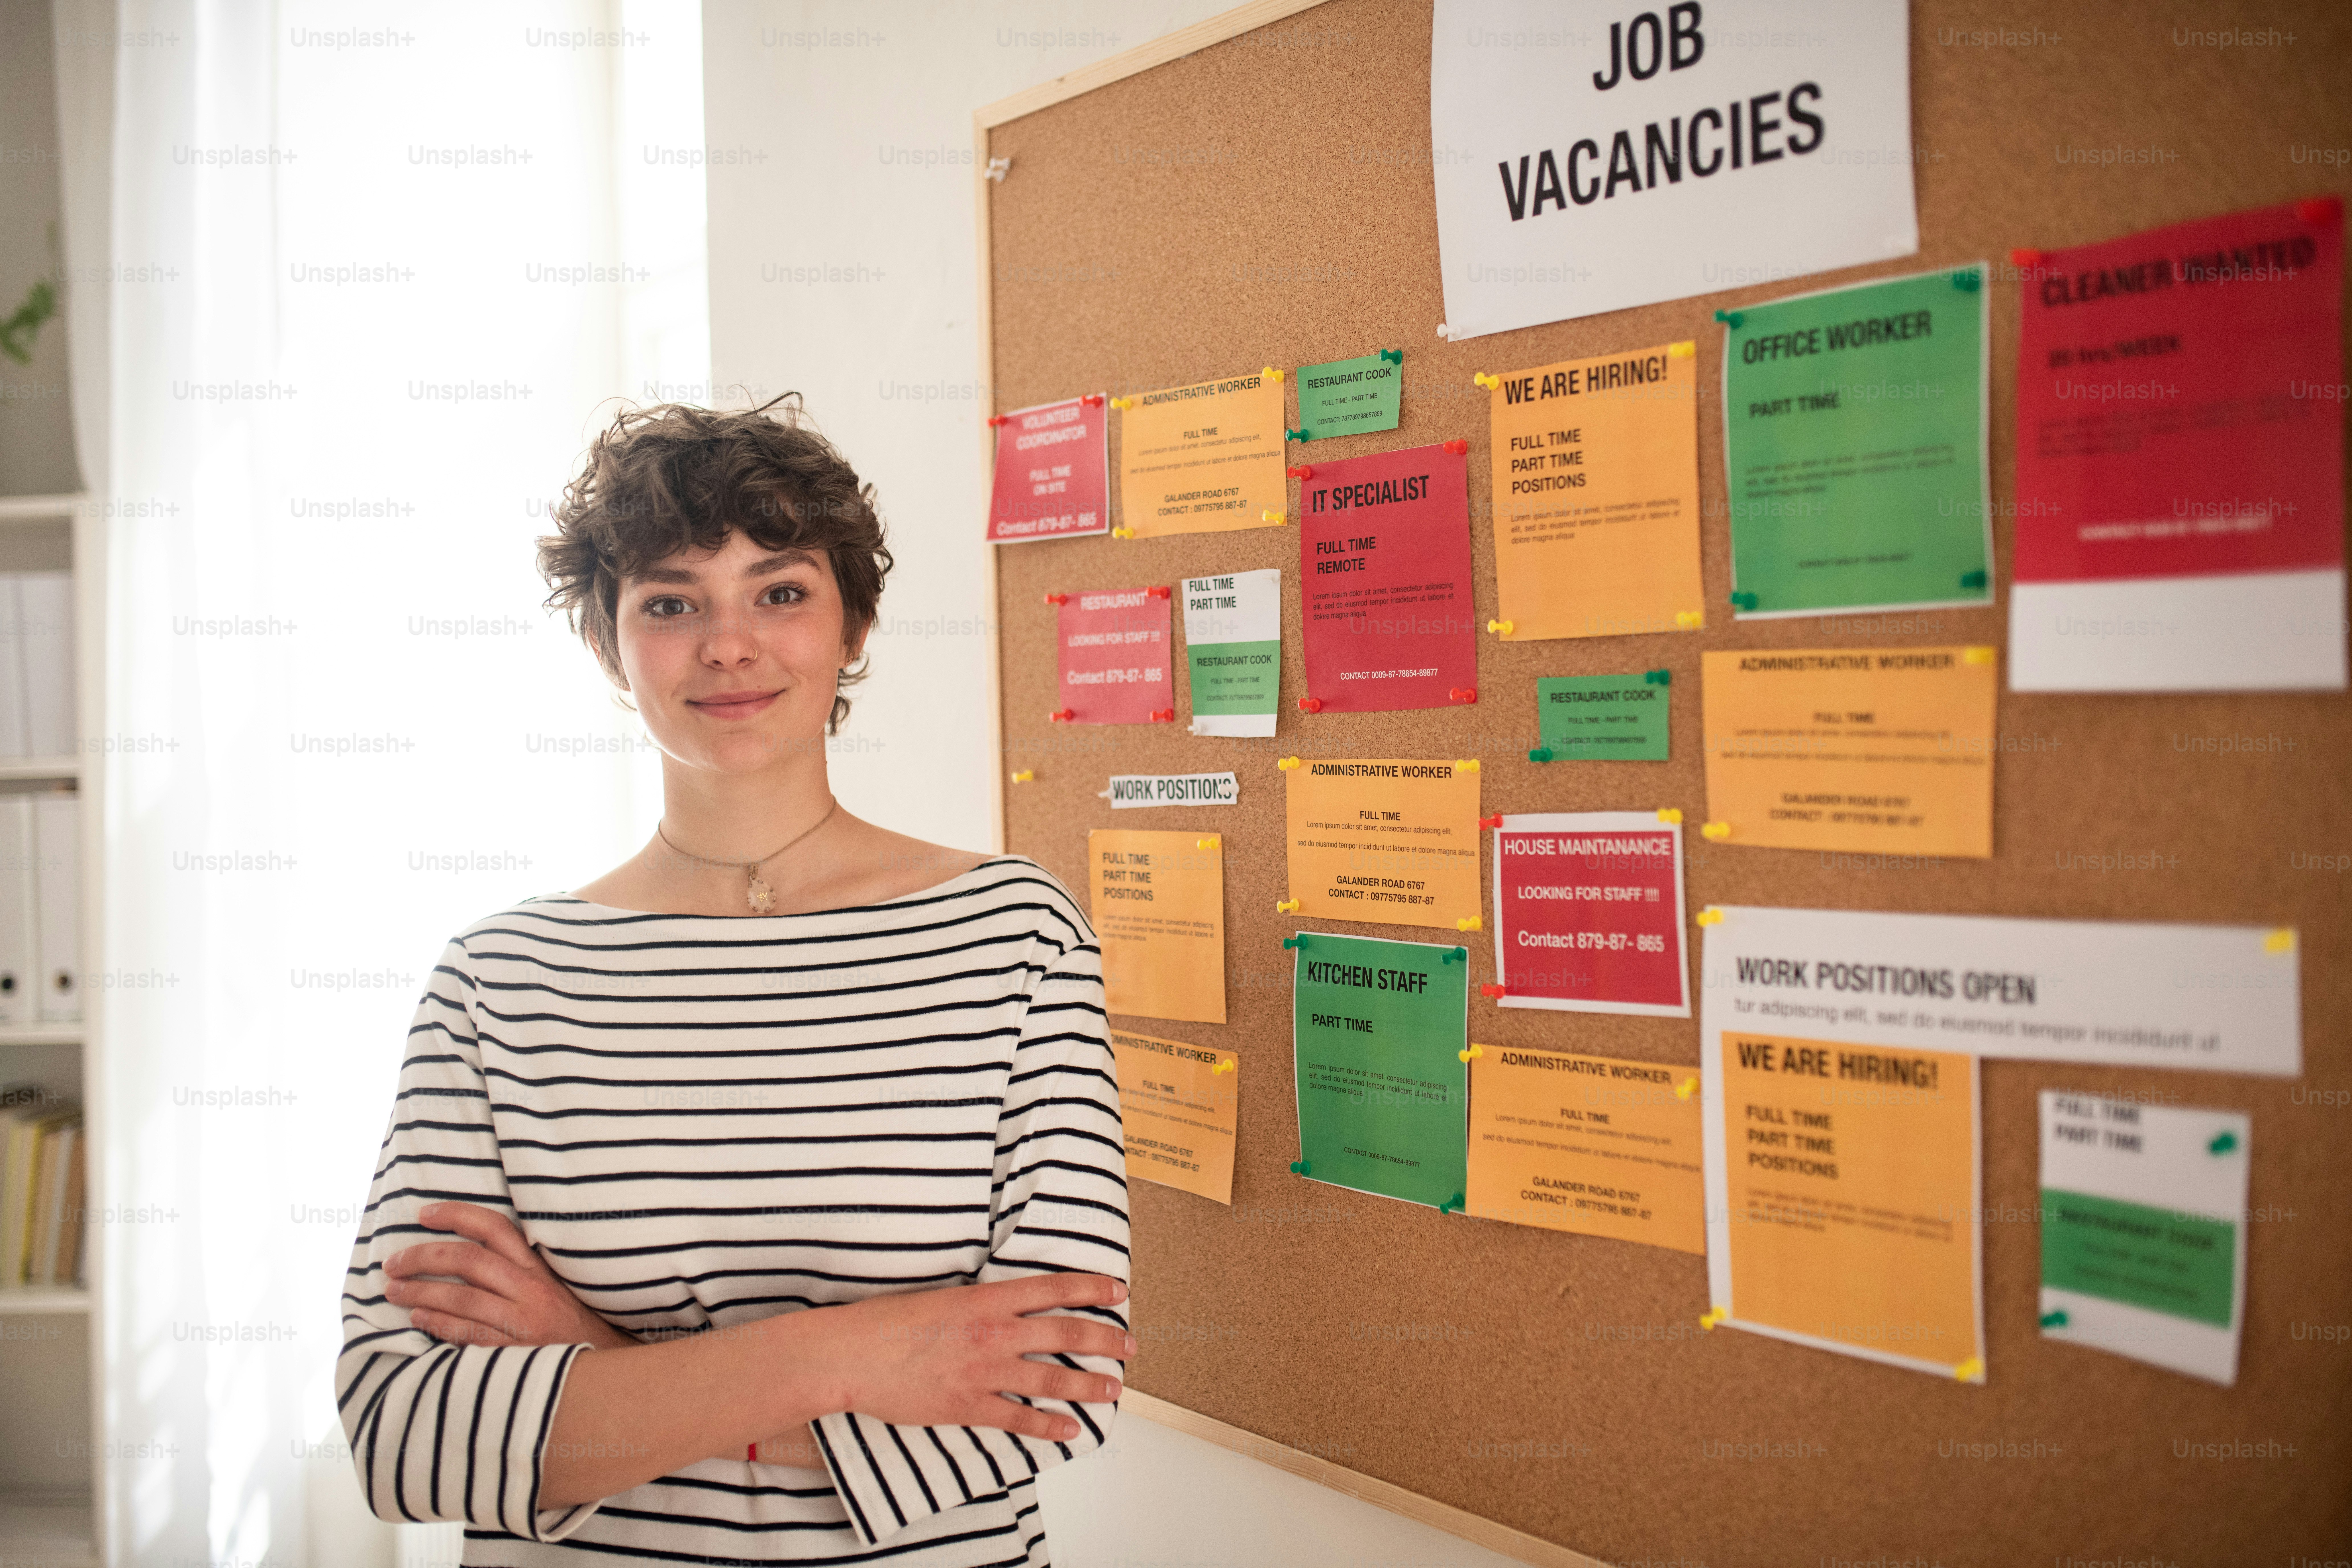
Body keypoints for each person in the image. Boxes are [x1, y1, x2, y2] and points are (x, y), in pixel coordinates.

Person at [336, 397, 1131, 1566]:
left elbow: (1057, 1383)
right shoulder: (497, 982)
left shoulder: (1014, 937)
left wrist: (597, 1362)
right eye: (671, 602)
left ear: (854, 623)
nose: (728, 642)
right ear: (609, 643)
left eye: (781, 589)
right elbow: (406, 1436)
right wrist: (870, 1356)